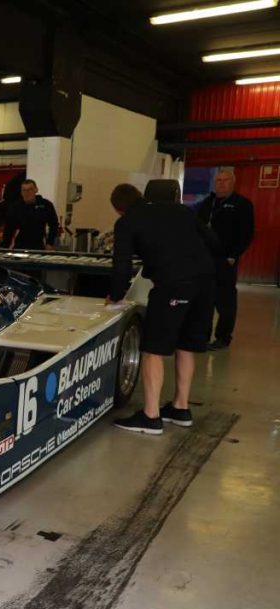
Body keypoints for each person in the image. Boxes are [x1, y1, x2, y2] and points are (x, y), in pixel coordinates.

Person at [107, 183, 217, 435]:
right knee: (186, 345)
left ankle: (150, 416)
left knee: (153, 350)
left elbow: (122, 265)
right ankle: (180, 408)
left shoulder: (126, 222)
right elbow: (213, 241)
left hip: (173, 285)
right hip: (206, 282)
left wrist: (115, 296)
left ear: (118, 209)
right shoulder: (180, 210)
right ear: (141, 196)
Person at [195, 168, 255, 350]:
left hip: (225, 260)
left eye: (225, 180)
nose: (221, 184)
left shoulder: (242, 204)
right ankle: (202, 336)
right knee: (204, 300)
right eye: (218, 180)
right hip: (204, 260)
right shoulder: (208, 203)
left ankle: (223, 337)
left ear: (233, 183)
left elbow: (246, 234)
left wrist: (233, 256)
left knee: (225, 302)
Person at [2, 179, 59, 250]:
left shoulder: (46, 205)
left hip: (39, 246)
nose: (27, 193)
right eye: (24, 190)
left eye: (30, 190)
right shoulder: (16, 207)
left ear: (36, 190)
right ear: (21, 192)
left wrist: (50, 242)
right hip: (20, 246)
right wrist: (5, 247)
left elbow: (54, 225)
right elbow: (8, 228)